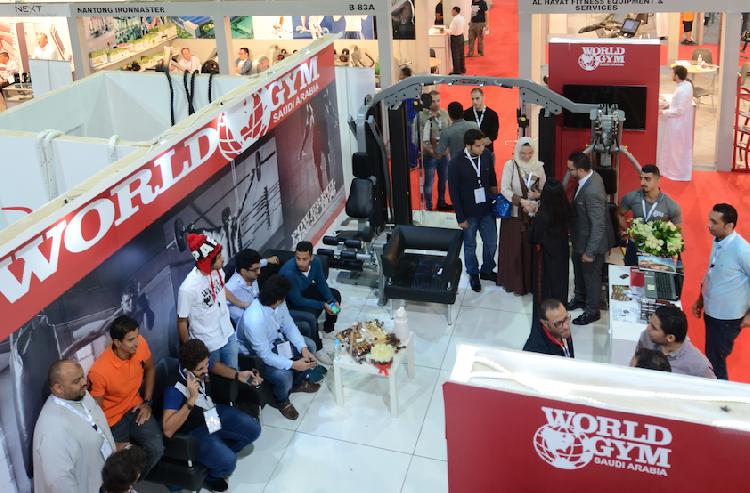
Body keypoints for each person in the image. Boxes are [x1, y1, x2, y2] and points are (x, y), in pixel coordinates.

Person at [162, 339, 261, 492]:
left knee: (253, 429)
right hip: (195, 429)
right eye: (201, 368)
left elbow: (215, 367)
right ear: (188, 370)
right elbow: (168, 430)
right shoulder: (174, 389)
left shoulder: (204, 368)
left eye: (206, 364)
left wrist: (238, 375)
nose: (206, 370)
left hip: (211, 413)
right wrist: (191, 400)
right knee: (229, 462)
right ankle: (212, 476)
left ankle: (218, 453)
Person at [88, 316, 164, 476]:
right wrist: (108, 440)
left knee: (156, 449)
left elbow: (150, 369)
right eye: (130, 340)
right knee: (119, 464)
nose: (136, 342)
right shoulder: (99, 371)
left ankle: (133, 481)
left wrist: (147, 403)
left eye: (137, 336)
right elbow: (96, 412)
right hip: (112, 420)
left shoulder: (140, 343)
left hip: (136, 408)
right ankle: (124, 483)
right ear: (117, 342)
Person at [243, 274, 323, 420]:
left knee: (310, 346)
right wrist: (293, 364)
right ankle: (282, 401)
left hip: (278, 342)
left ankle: (298, 383)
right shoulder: (255, 319)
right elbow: (265, 355)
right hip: (258, 356)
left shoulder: (278, 303)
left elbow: (289, 326)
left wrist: (303, 349)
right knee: (284, 376)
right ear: (278, 299)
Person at [33, 360, 117, 493]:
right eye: (76, 381)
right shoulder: (53, 430)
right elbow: (59, 482)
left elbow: (95, 425)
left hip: (107, 480)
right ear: (58, 389)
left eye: (82, 376)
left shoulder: (81, 395)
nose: (84, 382)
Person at [692, 203, 750, 380]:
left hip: (726, 319)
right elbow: (713, 272)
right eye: (710, 220)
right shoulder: (718, 239)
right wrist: (701, 299)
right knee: (712, 356)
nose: (709, 225)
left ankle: (719, 393)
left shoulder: (742, 250)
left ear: (729, 226)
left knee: (716, 362)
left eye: (714, 222)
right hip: (712, 311)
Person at [178, 234, 246, 370]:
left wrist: (239, 303)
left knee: (234, 372)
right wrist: (190, 351)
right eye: (218, 257)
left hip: (228, 333)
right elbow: (182, 321)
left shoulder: (218, 271)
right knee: (215, 379)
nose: (223, 259)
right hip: (207, 344)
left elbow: (222, 289)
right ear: (208, 261)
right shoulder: (187, 288)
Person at [448, 128, 498, 293]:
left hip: (487, 209)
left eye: (483, 145)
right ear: (468, 146)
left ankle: (487, 269)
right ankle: (473, 273)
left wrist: (496, 199)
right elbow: (453, 191)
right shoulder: (456, 162)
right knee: (470, 244)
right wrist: (460, 217)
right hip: (468, 212)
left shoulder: (486, 156)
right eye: (478, 146)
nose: (482, 148)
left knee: (491, 242)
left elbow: (492, 177)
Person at [567, 152, 614, 325]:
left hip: (591, 244)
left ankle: (592, 310)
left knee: (591, 277)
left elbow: (598, 224)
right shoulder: (590, 178)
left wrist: (590, 252)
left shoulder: (593, 191)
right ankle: (580, 298)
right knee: (579, 273)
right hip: (580, 239)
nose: (569, 173)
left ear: (580, 170)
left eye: (571, 170)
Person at [498, 138, 546, 295]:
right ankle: (513, 282)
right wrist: (522, 201)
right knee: (513, 250)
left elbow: (543, 189)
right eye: (523, 153)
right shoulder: (510, 165)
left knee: (529, 250)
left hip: (532, 214)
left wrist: (536, 197)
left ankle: (529, 283)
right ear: (517, 152)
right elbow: (504, 189)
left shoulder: (539, 167)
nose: (526, 156)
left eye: (530, 153)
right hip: (514, 215)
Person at [619, 164, 683, 265]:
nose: (642, 182)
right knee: (632, 274)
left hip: (656, 251)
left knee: (655, 275)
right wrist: (628, 231)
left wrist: (670, 249)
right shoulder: (631, 197)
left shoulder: (670, 205)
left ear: (658, 181)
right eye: (641, 178)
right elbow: (620, 214)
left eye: (647, 179)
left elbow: (678, 232)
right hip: (634, 247)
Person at [632, 306, 716, 379]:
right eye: (650, 322)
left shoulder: (699, 366)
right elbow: (635, 364)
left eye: (654, 328)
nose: (648, 328)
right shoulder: (647, 336)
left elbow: (711, 388)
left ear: (670, 338)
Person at [280, 241, 342, 336]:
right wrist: (323, 305)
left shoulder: (316, 262)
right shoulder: (289, 273)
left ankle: (328, 328)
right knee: (312, 313)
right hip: (290, 299)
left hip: (303, 290)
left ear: (311, 257)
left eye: (304, 259)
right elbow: (297, 301)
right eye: (298, 258)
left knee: (335, 295)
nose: (300, 263)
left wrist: (332, 300)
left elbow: (321, 284)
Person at [529, 179, 571, 306]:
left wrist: (532, 215)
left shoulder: (541, 216)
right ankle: (561, 312)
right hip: (562, 254)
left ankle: (545, 317)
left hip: (545, 258)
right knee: (561, 285)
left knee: (544, 290)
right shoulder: (566, 211)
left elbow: (533, 237)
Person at [657, 65, 694, 181]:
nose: (671, 75)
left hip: (677, 124)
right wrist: (669, 105)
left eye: (673, 73)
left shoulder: (682, 90)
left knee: (675, 150)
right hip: (679, 123)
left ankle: (675, 172)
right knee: (675, 149)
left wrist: (663, 112)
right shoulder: (686, 85)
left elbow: (679, 110)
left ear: (677, 76)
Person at [416, 90, 451, 211]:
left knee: (443, 180)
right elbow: (417, 138)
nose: (436, 104)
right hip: (429, 156)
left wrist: (447, 149)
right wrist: (431, 152)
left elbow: (450, 133)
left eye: (438, 100)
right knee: (429, 183)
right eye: (434, 101)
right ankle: (429, 208)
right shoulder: (421, 116)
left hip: (444, 155)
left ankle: (441, 202)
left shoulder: (445, 114)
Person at [225, 249, 279, 327]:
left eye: (259, 268)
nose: (259, 272)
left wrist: (268, 260)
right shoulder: (231, 288)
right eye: (255, 270)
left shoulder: (251, 272)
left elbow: (258, 264)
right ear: (243, 271)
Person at [437, 101, 479, 172]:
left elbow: (440, 153)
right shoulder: (474, 125)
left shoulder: (447, 132)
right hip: (475, 165)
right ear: (463, 112)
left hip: (457, 168)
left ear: (449, 115)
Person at [464, 88, 499, 153]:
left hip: (487, 151)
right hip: (471, 153)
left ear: (483, 97)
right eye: (472, 99)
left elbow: (493, 135)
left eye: (477, 98)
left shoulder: (492, 114)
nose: (474, 102)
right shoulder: (466, 114)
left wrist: (478, 143)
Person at [447, 7, 466, 74]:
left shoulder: (455, 19)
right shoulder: (462, 18)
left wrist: (445, 30)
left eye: (452, 11)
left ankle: (457, 70)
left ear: (455, 11)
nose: (451, 12)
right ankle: (462, 68)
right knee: (461, 53)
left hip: (455, 38)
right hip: (461, 36)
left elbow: (452, 31)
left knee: (456, 55)